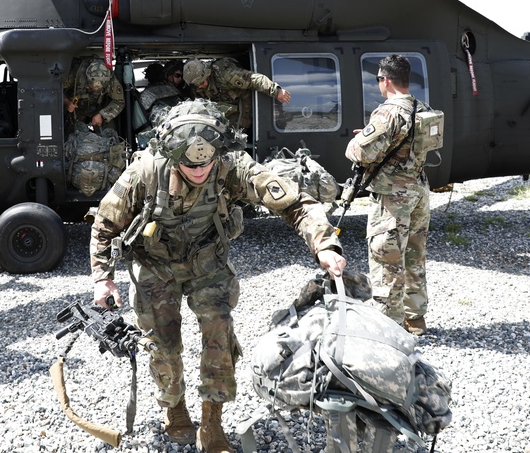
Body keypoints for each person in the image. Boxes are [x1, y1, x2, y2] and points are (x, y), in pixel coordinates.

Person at [90, 99, 346, 452]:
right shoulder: (146, 171)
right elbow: (105, 223)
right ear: (172, 155)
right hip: (156, 267)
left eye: (206, 163)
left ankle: (212, 419)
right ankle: (174, 407)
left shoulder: (231, 165)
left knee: (219, 336)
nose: (200, 170)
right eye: (190, 165)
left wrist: (324, 244)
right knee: (162, 345)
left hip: (208, 264)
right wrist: (103, 277)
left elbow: (294, 202)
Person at [344, 54, 431, 336]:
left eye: (379, 80)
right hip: (418, 190)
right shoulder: (423, 107)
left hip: (393, 198)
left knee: (387, 259)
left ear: (386, 80)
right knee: (415, 255)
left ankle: (387, 329)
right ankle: (415, 319)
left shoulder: (387, 112)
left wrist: (359, 139)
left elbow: (359, 153)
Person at [182, 57, 291, 128]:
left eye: (201, 83)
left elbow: (253, 79)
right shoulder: (196, 86)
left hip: (242, 103)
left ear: (207, 75)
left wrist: (276, 90)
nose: (200, 87)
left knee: (240, 131)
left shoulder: (224, 73)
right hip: (223, 109)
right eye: (197, 85)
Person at [63, 58, 125, 133]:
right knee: (70, 132)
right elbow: (56, 89)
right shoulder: (76, 74)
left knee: (109, 132)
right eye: (92, 86)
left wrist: (102, 115)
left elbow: (119, 101)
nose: (95, 88)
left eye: (98, 88)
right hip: (75, 109)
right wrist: (66, 102)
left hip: (98, 108)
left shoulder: (110, 80)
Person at [137, 60, 188, 128]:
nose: (180, 79)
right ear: (168, 75)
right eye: (177, 75)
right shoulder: (150, 94)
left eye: (182, 76)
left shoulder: (180, 90)